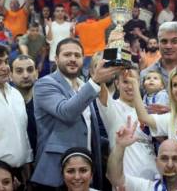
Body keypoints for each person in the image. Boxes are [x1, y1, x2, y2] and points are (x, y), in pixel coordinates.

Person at [31, 38, 122, 190]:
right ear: (56, 58)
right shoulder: (45, 84)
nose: (72, 59)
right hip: (55, 173)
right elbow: (66, 112)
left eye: (77, 55)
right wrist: (95, 81)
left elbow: (87, 130)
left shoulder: (83, 85)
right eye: (67, 55)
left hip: (85, 173)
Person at [107, 117, 177, 191]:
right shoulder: (145, 188)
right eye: (164, 158)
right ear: (156, 162)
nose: (170, 165)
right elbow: (116, 178)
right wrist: (120, 146)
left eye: (175, 159)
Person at [96, 68, 158, 180]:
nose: (130, 86)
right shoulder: (112, 107)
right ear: (117, 84)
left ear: (139, 83)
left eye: (133, 81)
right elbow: (100, 89)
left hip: (154, 179)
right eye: (125, 82)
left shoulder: (148, 110)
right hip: (126, 181)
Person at [0, 43, 32, 173]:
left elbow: (22, 134)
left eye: (6, 61)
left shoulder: (15, 94)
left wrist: (27, 164)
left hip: (20, 173)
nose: (5, 67)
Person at [10, 55, 38, 157]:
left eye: (30, 70)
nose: (25, 75)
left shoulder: (47, 101)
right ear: (10, 75)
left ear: (37, 73)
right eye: (19, 71)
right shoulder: (5, 103)